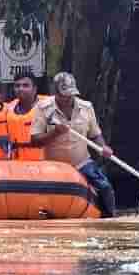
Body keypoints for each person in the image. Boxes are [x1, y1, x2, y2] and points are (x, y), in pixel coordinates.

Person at [31, 72, 117, 217]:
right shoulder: (43, 108)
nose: (68, 98)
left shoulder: (86, 107)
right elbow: (34, 141)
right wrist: (55, 133)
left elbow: (95, 134)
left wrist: (103, 147)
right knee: (47, 201)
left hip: (81, 163)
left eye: (71, 94)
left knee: (105, 187)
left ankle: (110, 218)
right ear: (56, 93)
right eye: (64, 95)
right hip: (54, 166)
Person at [5, 73, 48, 161]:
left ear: (34, 89)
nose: (21, 89)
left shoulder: (48, 106)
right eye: (17, 86)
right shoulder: (8, 108)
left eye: (25, 85)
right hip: (17, 163)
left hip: (43, 163)